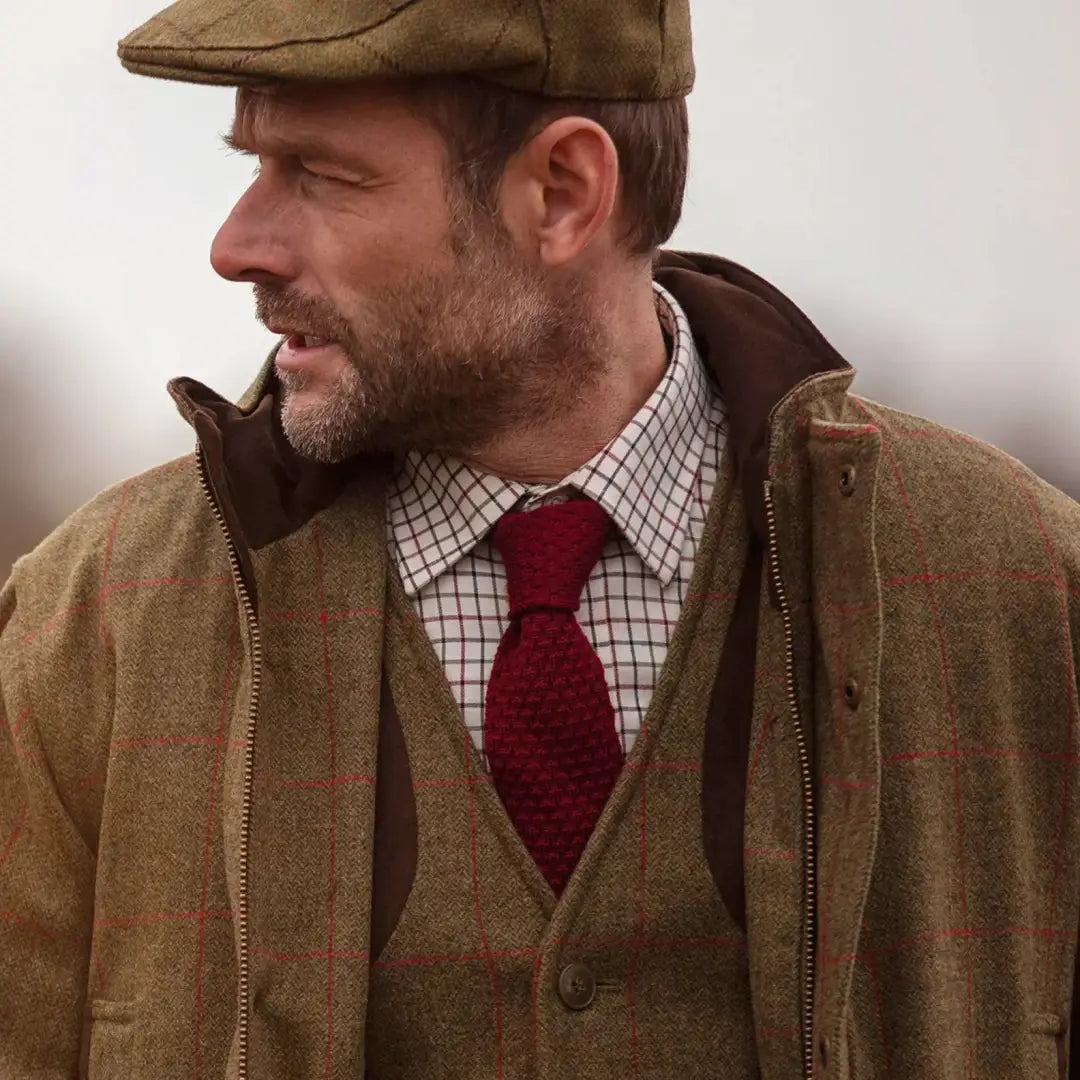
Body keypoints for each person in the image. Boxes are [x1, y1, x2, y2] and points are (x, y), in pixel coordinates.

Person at [2, 1, 1079, 1077]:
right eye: (252, 164)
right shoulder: (86, 620)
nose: (236, 247)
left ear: (562, 191)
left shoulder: (1027, 592)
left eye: (320, 174)